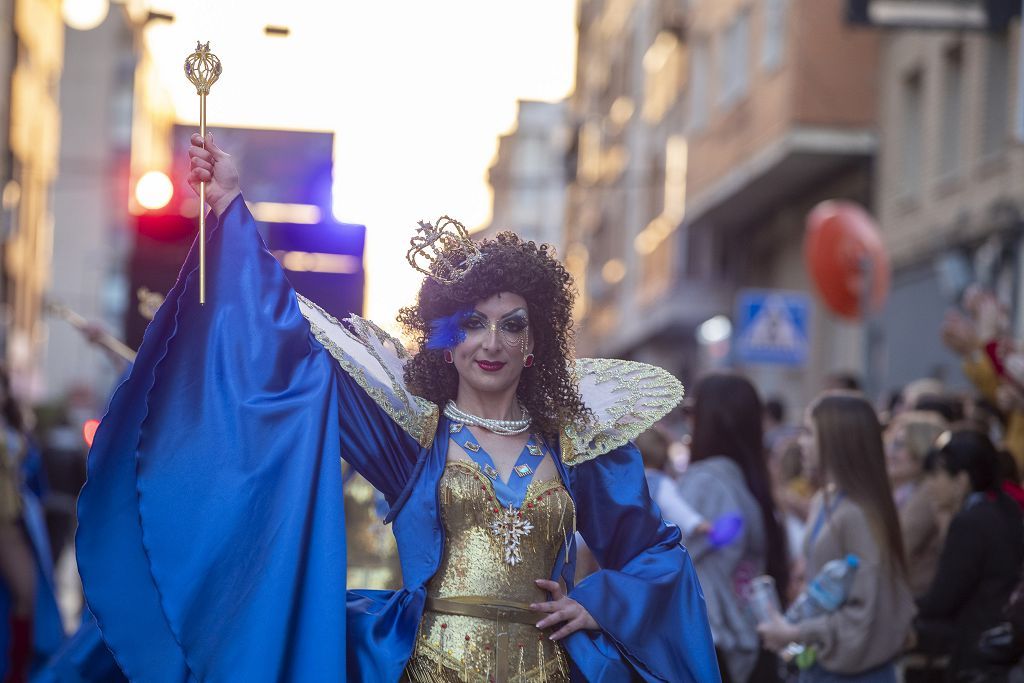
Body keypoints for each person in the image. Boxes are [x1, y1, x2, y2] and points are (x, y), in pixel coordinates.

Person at [74, 132, 719, 682]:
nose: (490, 343)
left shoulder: (578, 443)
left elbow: (658, 552)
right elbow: (293, 338)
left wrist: (602, 602)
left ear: (536, 342)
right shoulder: (414, 435)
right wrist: (232, 213)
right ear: (446, 339)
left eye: (512, 325)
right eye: (472, 324)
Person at [758, 391, 915, 682]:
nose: (799, 442)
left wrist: (795, 632)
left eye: (808, 432)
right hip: (824, 661)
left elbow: (866, 609)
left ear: (836, 439)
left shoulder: (857, 511)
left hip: (851, 670)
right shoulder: (828, 500)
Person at [679, 372, 789, 683]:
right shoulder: (747, 481)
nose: (688, 421)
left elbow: (670, 554)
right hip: (745, 636)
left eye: (690, 411)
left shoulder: (706, 482)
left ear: (709, 419)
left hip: (713, 639)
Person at [915, 429, 1024, 681]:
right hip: (1000, 638)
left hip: (978, 647)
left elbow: (942, 600)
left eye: (937, 475)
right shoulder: (1005, 506)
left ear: (961, 480)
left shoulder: (970, 522)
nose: (930, 484)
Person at [884, 411, 947, 597]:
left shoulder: (928, 493)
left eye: (899, 445)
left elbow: (897, 547)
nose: (890, 453)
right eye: (890, 444)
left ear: (921, 448)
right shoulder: (903, 492)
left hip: (916, 600)